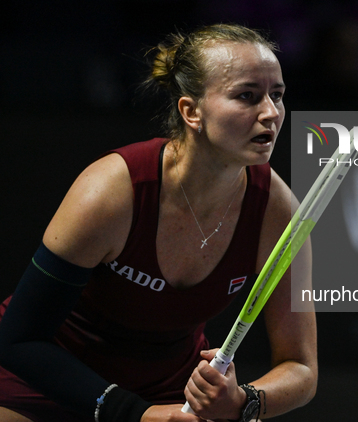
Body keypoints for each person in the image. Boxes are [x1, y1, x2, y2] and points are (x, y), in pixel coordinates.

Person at [0, 24, 317, 422]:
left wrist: (243, 401)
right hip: (49, 377)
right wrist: (140, 415)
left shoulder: (278, 213)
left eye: (277, 95)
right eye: (247, 96)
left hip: (169, 390)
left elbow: (301, 369)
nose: (270, 113)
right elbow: (19, 341)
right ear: (191, 111)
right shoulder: (112, 193)